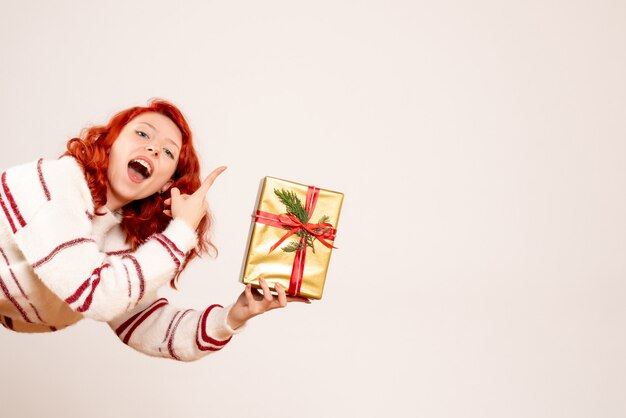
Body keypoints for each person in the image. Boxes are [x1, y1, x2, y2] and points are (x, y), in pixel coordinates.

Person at [0, 99, 307, 361]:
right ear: (110, 143)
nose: (152, 147)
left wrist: (234, 315)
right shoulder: (54, 182)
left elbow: (147, 323)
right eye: (142, 133)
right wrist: (182, 230)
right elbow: (96, 296)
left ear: (165, 184)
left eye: (169, 152)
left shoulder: (115, 237)